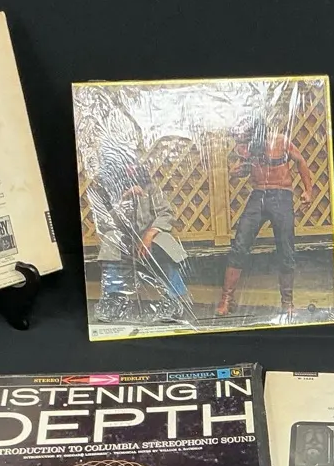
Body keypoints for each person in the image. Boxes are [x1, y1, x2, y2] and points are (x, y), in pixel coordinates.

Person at [215, 115, 314, 317]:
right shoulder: (247, 147)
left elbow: (301, 161)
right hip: (258, 194)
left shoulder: (281, 141)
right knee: (240, 244)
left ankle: (287, 302)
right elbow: (240, 171)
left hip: (282, 194)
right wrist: (236, 171)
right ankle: (227, 298)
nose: (247, 141)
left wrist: (308, 190)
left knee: (286, 248)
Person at [88, 156, 190, 323]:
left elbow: (166, 214)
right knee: (111, 241)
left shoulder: (152, 189)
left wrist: (150, 234)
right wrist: (123, 202)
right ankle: (114, 300)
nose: (130, 169)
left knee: (165, 245)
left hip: (151, 238)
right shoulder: (111, 192)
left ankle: (174, 299)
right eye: (125, 166)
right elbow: (106, 223)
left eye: (133, 165)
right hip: (125, 241)